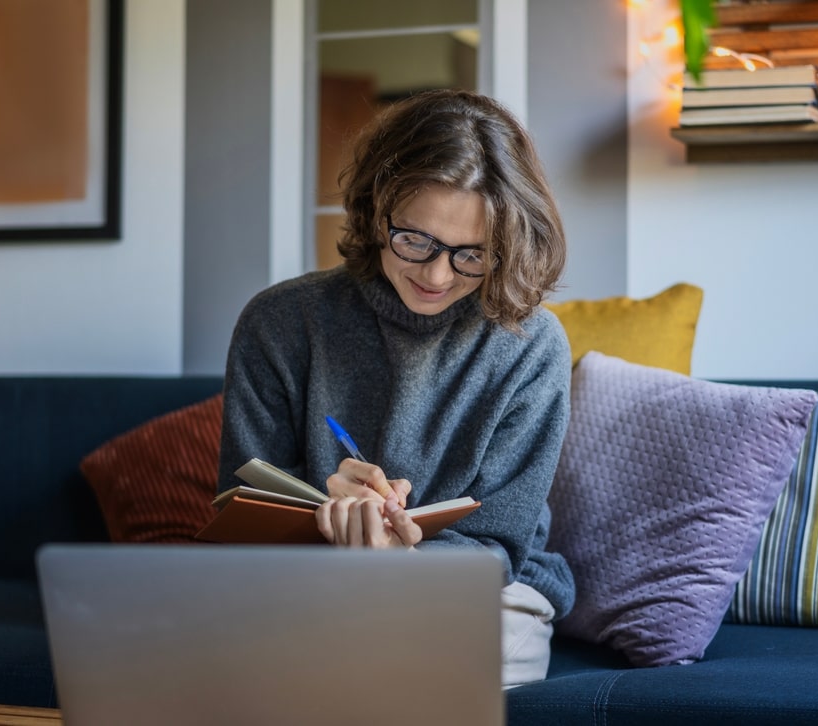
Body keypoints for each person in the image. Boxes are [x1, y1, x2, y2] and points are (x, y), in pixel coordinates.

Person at [217, 88, 574, 687]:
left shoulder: (531, 344)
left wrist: (406, 560)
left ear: (507, 247)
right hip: (310, 588)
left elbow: (499, 548)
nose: (436, 276)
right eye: (415, 240)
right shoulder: (280, 323)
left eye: (472, 255)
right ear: (374, 212)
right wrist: (324, 518)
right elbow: (241, 523)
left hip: (488, 592)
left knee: (409, 670)